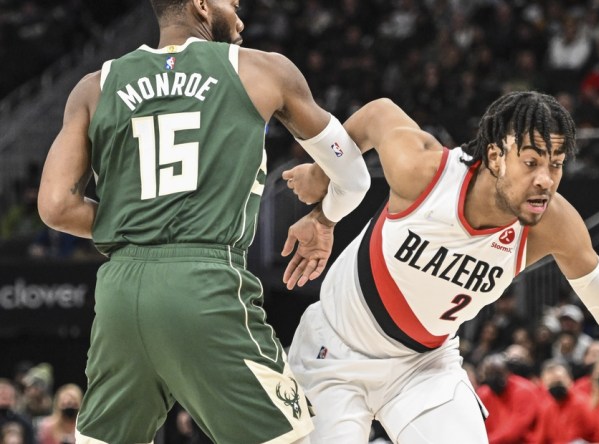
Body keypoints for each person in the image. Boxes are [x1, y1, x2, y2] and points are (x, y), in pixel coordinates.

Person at [284, 92, 599, 443]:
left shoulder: (553, 223)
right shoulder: (425, 172)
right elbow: (377, 114)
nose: (546, 178)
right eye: (532, 162)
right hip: (336, 352)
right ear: (497, 156)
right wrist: (324, 182)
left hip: (422, 366)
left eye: (556, 164)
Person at [36, 0, 371, 442]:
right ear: (199, 3)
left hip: (120, 293)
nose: (240, 16)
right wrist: (324, 218)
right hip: (207, 284)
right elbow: (354, 175)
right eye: (232, 3)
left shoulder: (95, 86)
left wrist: (135, 228)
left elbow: (55, 206)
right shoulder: (264, 71)